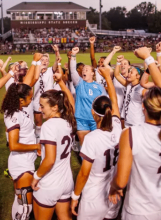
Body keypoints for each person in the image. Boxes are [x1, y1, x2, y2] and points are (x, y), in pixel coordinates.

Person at [109, 47, 161, 220]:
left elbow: (121, 181)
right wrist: (149, 58)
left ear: (143, 106)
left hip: (140, 211)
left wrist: (114, 186)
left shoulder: (130, 134)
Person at [71, 67, 122, 219]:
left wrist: (75, 196)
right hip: (113, 188)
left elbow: (84, 173)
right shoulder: (118, 126)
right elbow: (114, 101)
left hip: (95, 194)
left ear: (93, 113)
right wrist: (108, 78)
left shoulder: (92, 138)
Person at [1, 53, 43, 220]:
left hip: (24, 161)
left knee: (19, 201)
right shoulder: (13, 116)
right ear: (21, 99)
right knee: (26, 208)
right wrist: (37, 146)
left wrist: (34, 62)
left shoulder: (19, 109)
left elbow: (28, 82)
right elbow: (13, 145)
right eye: (29, 98)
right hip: (22, 164)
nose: (31, 99)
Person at [31, 78, 76, 220]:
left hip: (50, 183)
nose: (40, 109)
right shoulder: (68, 122)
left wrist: (36, 176)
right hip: (67, 182)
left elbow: (50, 160)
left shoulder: (48, 125)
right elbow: (72, 105)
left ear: (55, 107)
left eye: (43, 106)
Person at [70, 47, 107, 145]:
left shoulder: (99, 86)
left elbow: (104, 102)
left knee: (96, 144)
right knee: (84, 144)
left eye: (86, 69)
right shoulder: (79, 83)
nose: (84, 71)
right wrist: (73, 55)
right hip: (81, 119)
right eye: (83, 70)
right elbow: (73, 70)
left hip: (95, 119)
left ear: (92, 73)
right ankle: (84, 160)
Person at [33, 46, 60, 143]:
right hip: (36, 100)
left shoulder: (50, 71)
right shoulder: (34, 71)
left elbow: (57, 61)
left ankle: (52, 140)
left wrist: (56, 51)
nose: (44, 62)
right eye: (42, 60)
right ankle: (38, 143)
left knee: (51, 122)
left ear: (48, 63)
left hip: (48, 101)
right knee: (38, 124)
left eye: (46, 60)